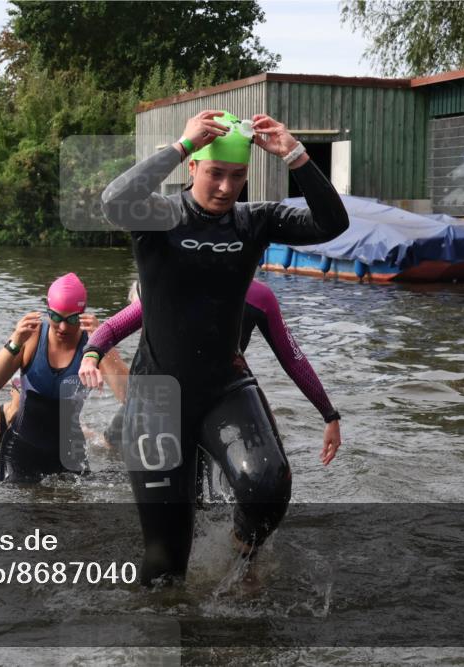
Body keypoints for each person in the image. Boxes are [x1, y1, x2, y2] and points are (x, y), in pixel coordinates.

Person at [99, 110, 349, 584]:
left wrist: (295, 154)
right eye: (215, 173)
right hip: (158, 397)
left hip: (224, 387)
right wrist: (181, 145)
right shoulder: (157, 216)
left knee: (267, 486)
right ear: (193, 169)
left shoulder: (255, 222)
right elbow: (113, 200)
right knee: (165, 561)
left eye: (237, 177)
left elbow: (331, 223)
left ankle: (238, 562)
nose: (224, 187)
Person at [80, 278, 342, 464]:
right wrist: (94, 353)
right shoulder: (166, 287)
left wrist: (329, 415)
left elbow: (293, 359)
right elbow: (114, 330)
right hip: (170, 397)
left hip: (216, 397)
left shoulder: (257, 297)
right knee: (110, 443)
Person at [0, 273, 108, 483]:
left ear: (83, 314)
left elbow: (130, 395)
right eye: (55, 318)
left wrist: (103, 345)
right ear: (47, 311)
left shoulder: (93, 342)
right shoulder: (32, 335)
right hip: (22, 447)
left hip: (70, 453)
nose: (63, 327)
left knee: (77, 515)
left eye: (72, 319)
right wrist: (15, 341)